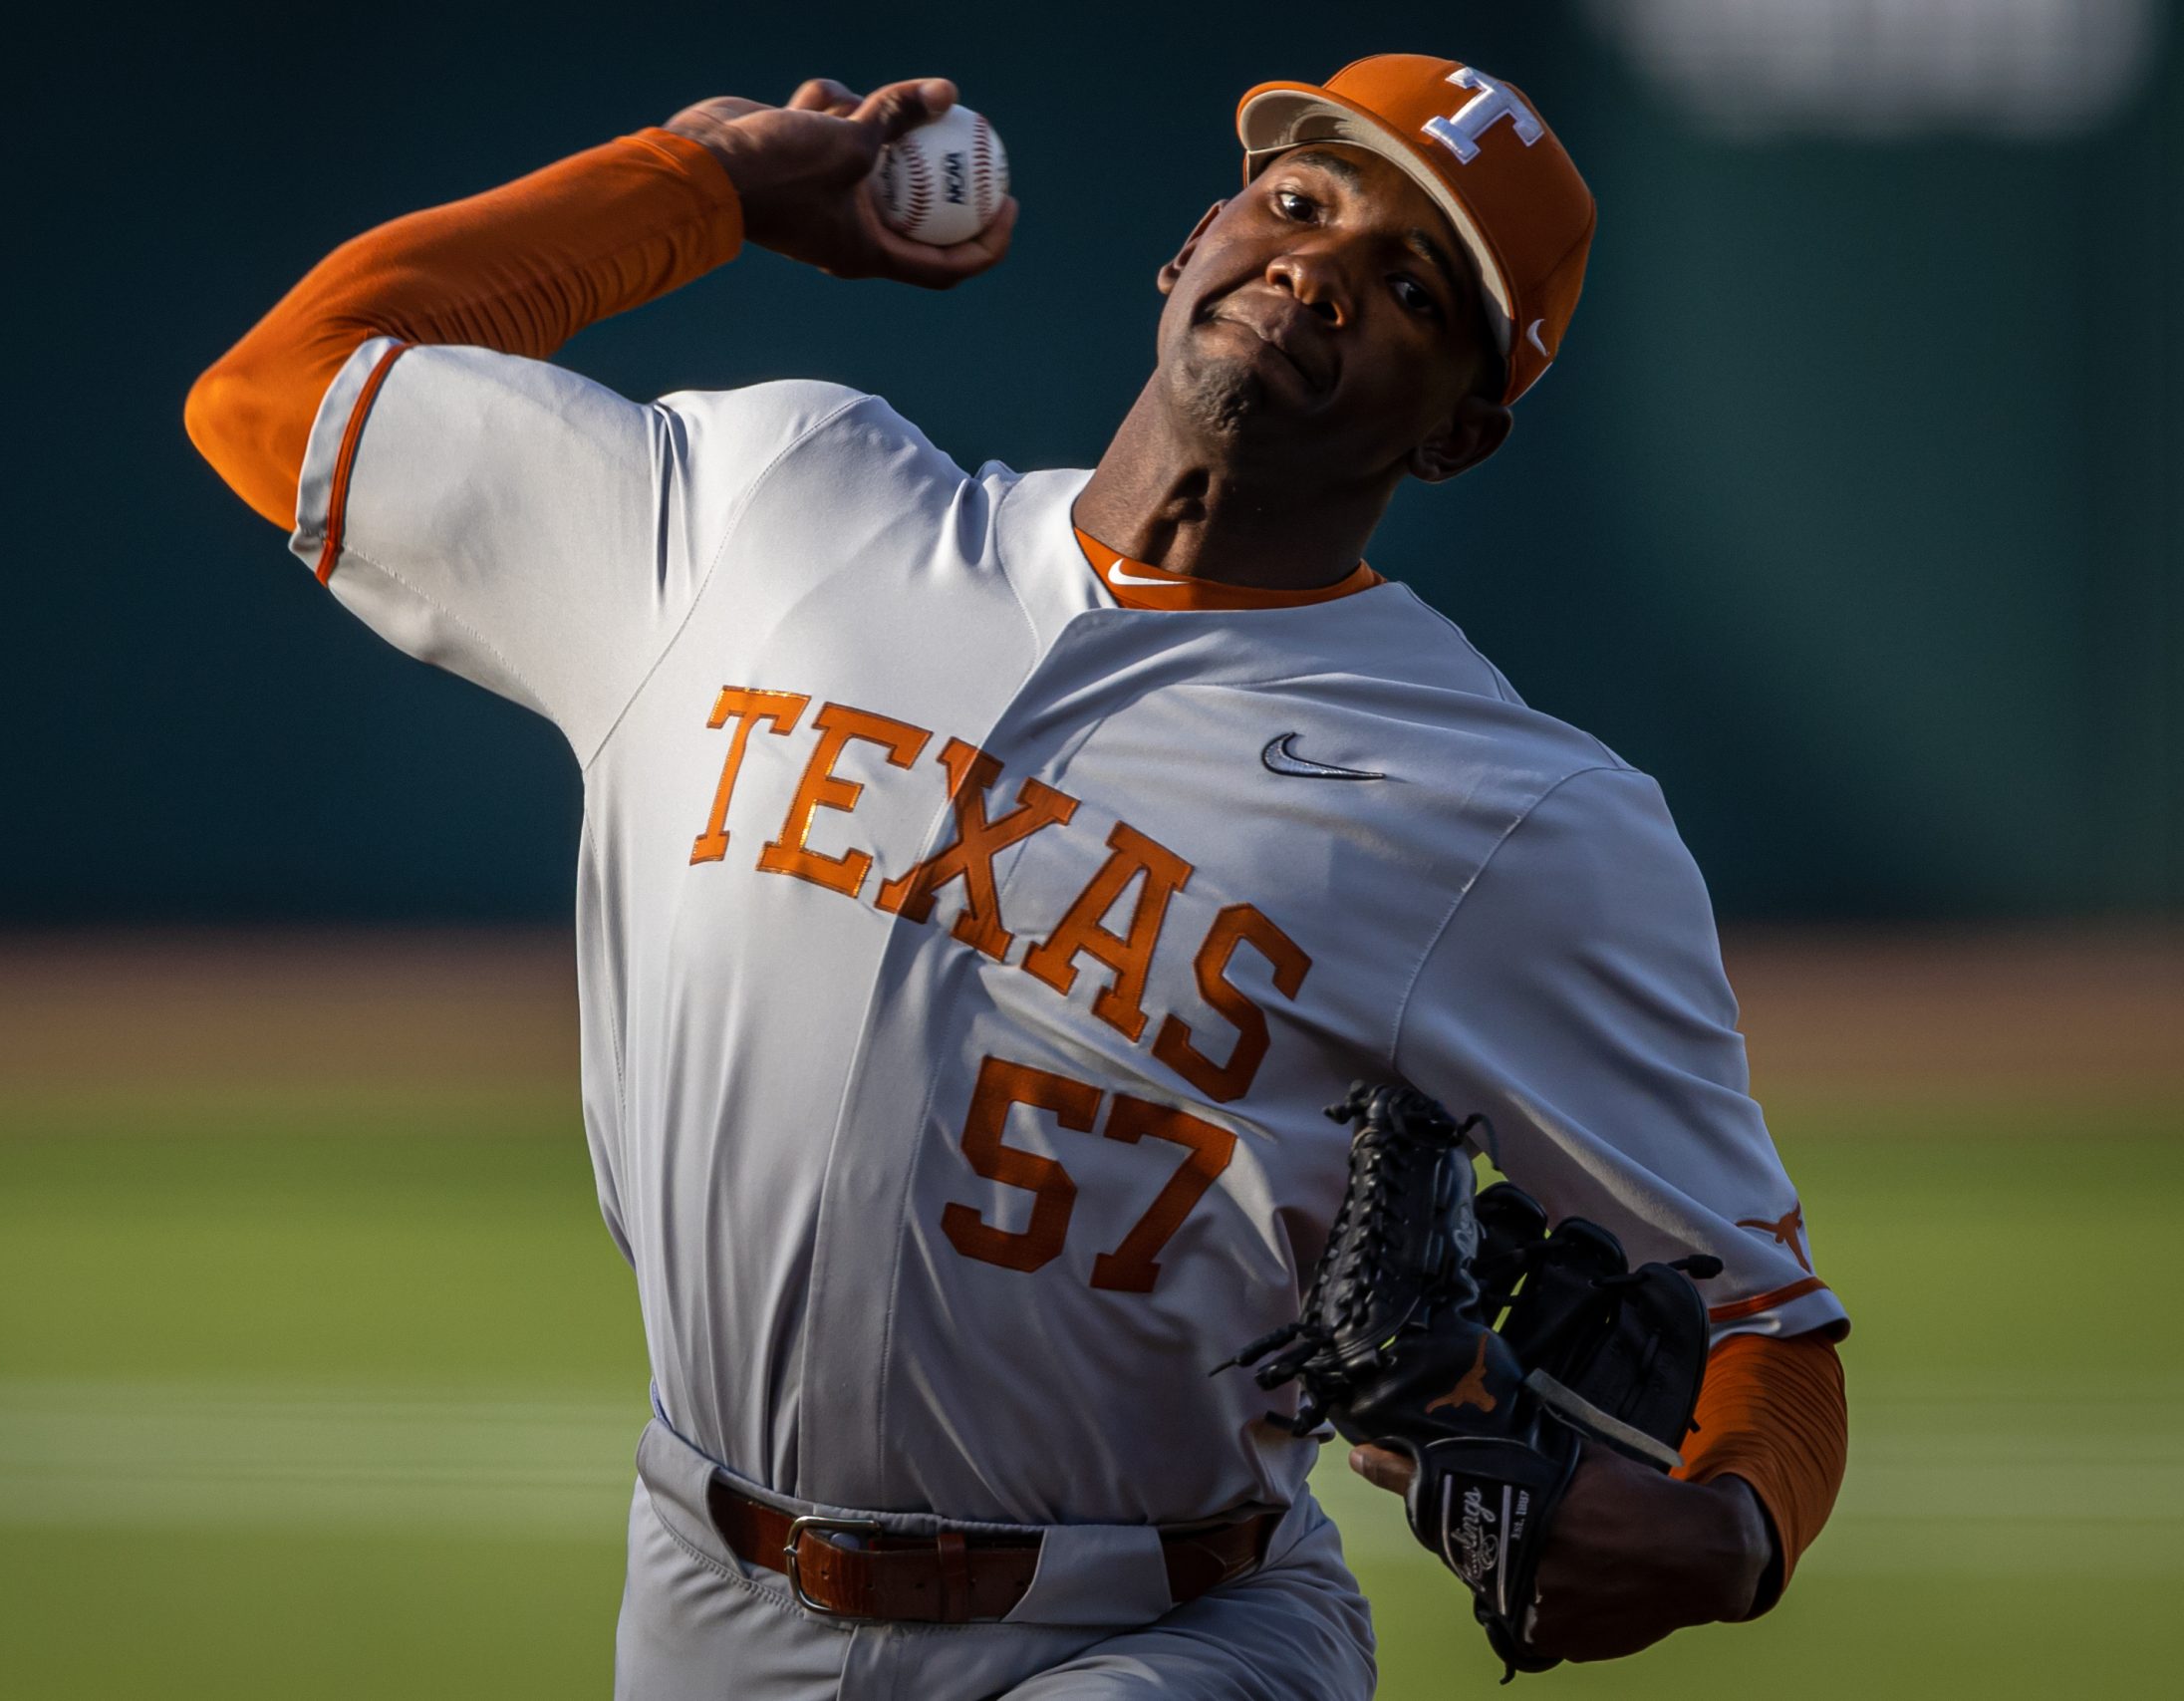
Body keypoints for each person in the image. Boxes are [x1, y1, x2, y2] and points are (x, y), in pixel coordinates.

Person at [186, 55, 1848, 1700]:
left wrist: (1731, 1536)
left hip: (1158, 1631)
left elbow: (1766, 1323)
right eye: (1296, 201)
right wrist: (711, 188)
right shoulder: (775, 505)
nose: (1314, 271)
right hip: (703, 1597)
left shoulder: (1519, 816)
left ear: (1466, 430)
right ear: (1191, 239)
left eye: (1407, 282)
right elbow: (279, 390)